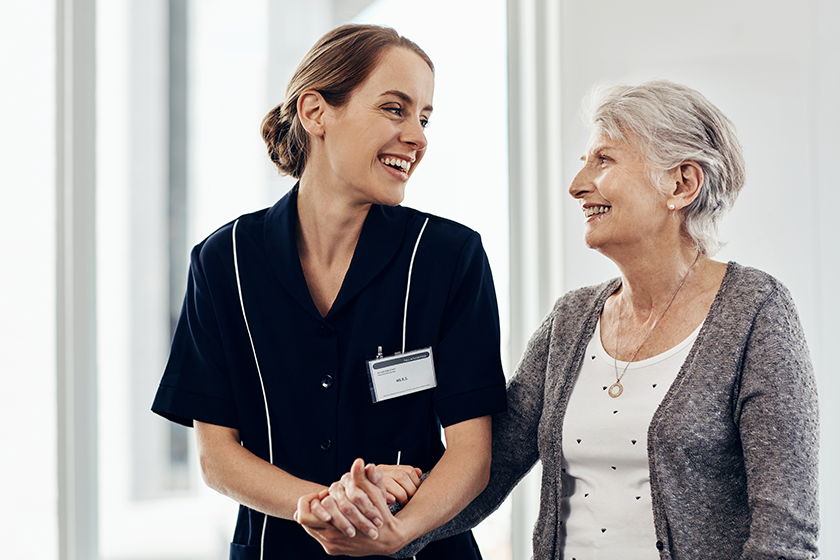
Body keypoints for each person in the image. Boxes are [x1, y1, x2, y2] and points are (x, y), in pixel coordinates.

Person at [296, 79, 821, 559]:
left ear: (681, 184)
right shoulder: (572, 319)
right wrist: (389, 523)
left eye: (604, 161)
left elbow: (784, 534)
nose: (577, 184)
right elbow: (491, 469)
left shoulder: (755, 311)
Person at [151, 23, 507, 560]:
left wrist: (396, 532)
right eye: (395, 109)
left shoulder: (448, 257)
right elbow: (216, 457)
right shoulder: (223, 261)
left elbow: (472, 454)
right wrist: (328, 504)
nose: (418, 135)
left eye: (424, 118)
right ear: (315, 112)